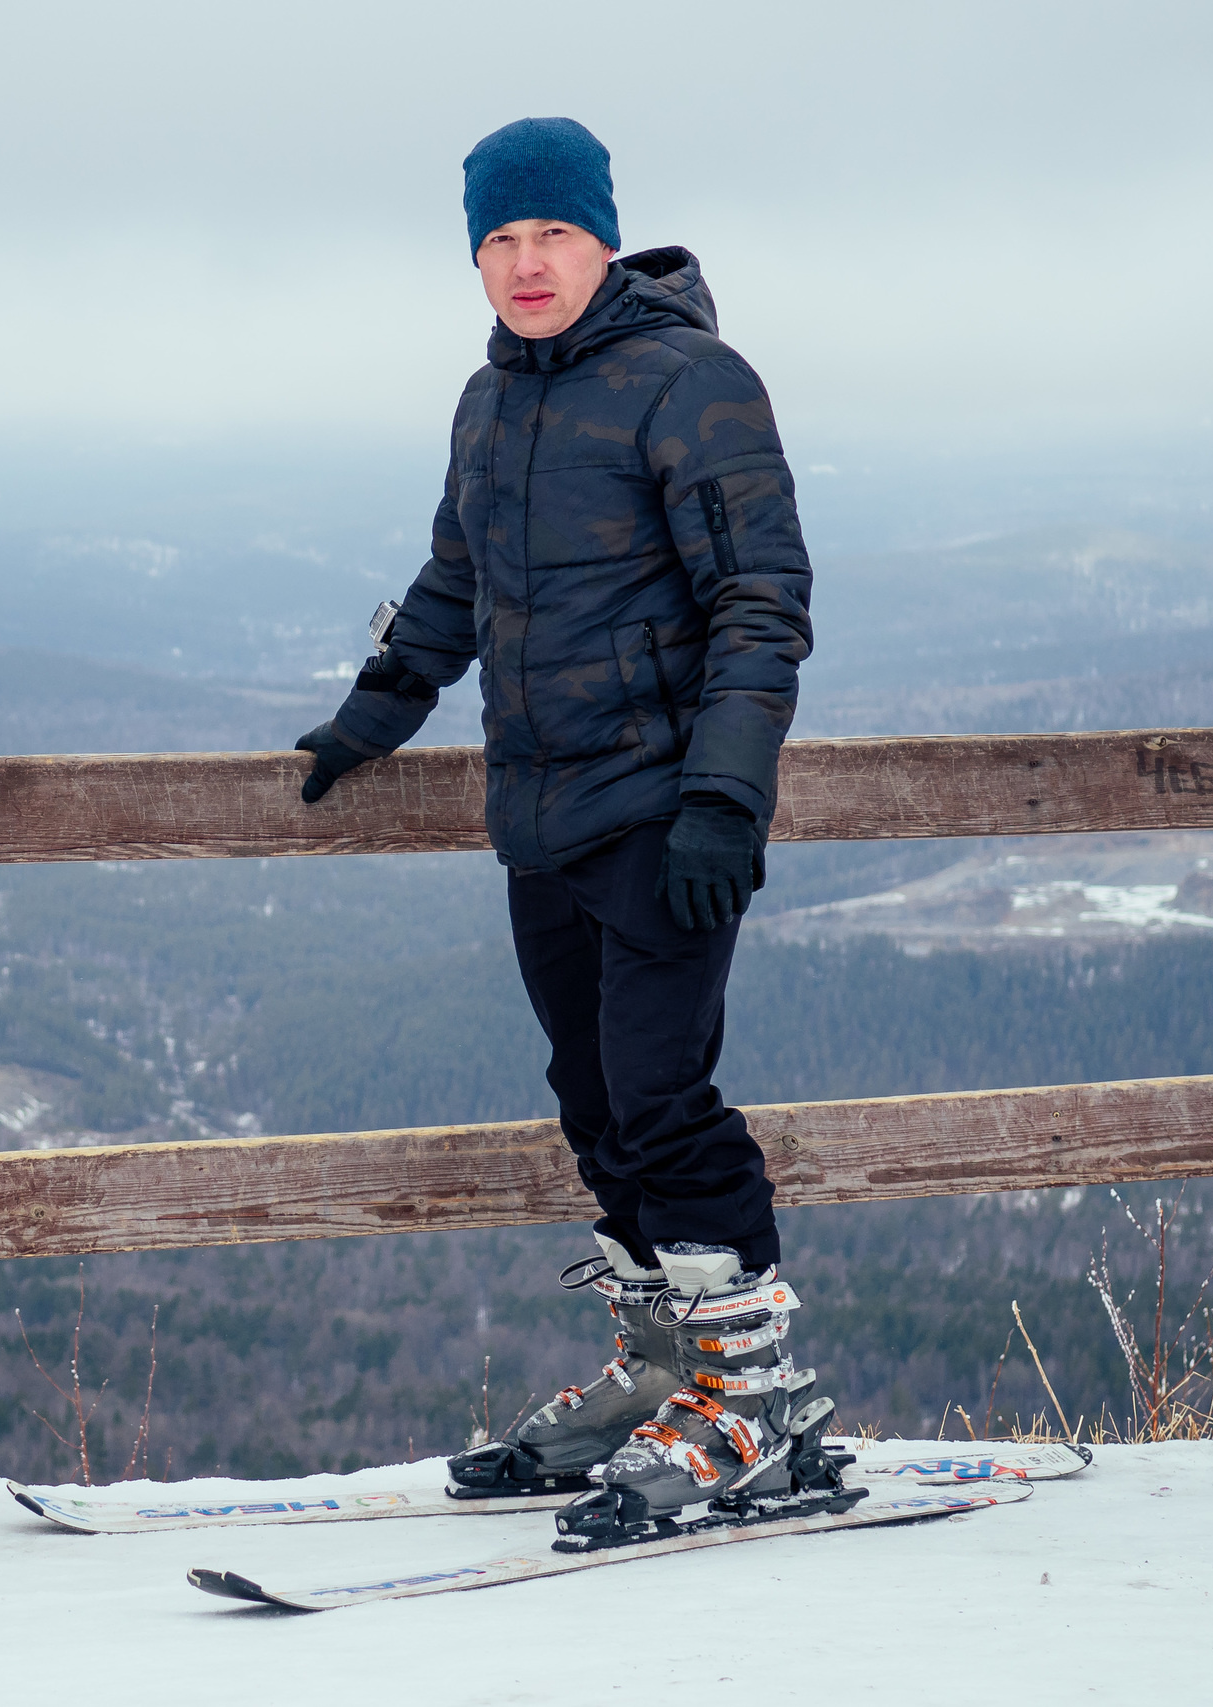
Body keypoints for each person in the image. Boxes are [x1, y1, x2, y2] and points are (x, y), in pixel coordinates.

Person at [293, 117, 844, 1540]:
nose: (527, 265)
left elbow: (759, 603)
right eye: (500, 241)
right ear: (474, 255)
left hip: (663, 819)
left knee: (665, 1100)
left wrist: (725, 798)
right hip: (542, 821)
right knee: (597, 1107)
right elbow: (456, 580)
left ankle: (758, 1406)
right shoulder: (494, 403)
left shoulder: (690, 381)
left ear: (604, 238)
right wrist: (375, 711)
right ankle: (668, 1376)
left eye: (552, 235)